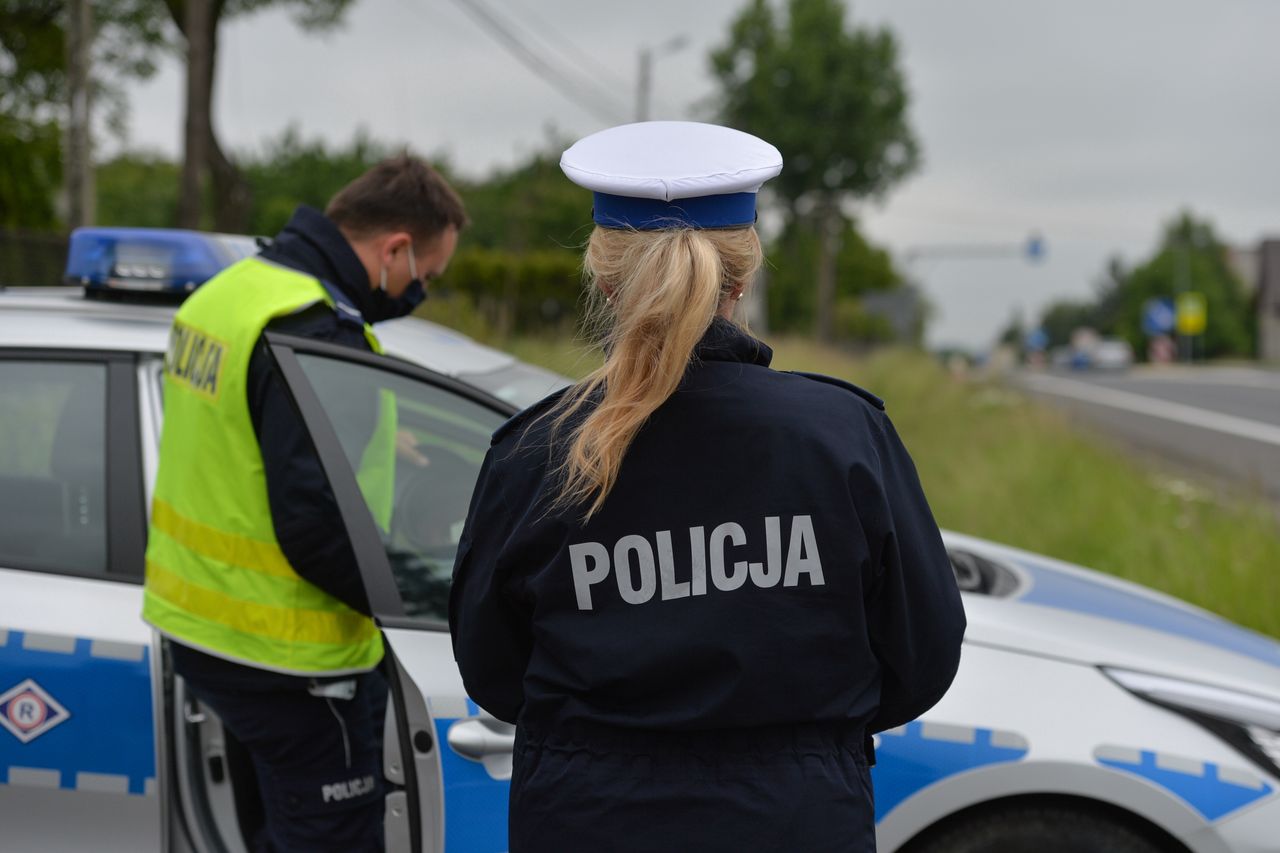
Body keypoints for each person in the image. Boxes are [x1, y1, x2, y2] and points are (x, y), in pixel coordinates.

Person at [449, 122, 966, 853]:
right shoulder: (843, 436)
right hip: (796, 818)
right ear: (744, 274)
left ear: (601, 276)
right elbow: (925, 652)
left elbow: (492, 668)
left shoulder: (534, 452)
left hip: (587, 818)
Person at [142, 154, 467, 852]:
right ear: (395, 248)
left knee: (266, 834)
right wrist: (422, 595)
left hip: (207, 633)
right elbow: (317, 525)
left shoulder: (227, 295)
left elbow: (239, 436)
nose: (420, 291)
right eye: (426, 276)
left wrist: (377, 427)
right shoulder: (316, 333)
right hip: (295, 662)